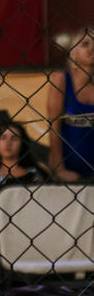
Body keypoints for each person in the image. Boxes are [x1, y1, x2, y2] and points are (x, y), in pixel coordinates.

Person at [46, 25, 94, 183]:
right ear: (73, 51)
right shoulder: (61, 79)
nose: (92, 48)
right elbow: (54, 126)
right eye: (85, 44)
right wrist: (58, 168)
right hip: (69, 167)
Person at [0, 117, 47, 187]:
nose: (8, 143)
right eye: (3, 138)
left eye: (14, 138)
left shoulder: (35, 173)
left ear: (22, 144)